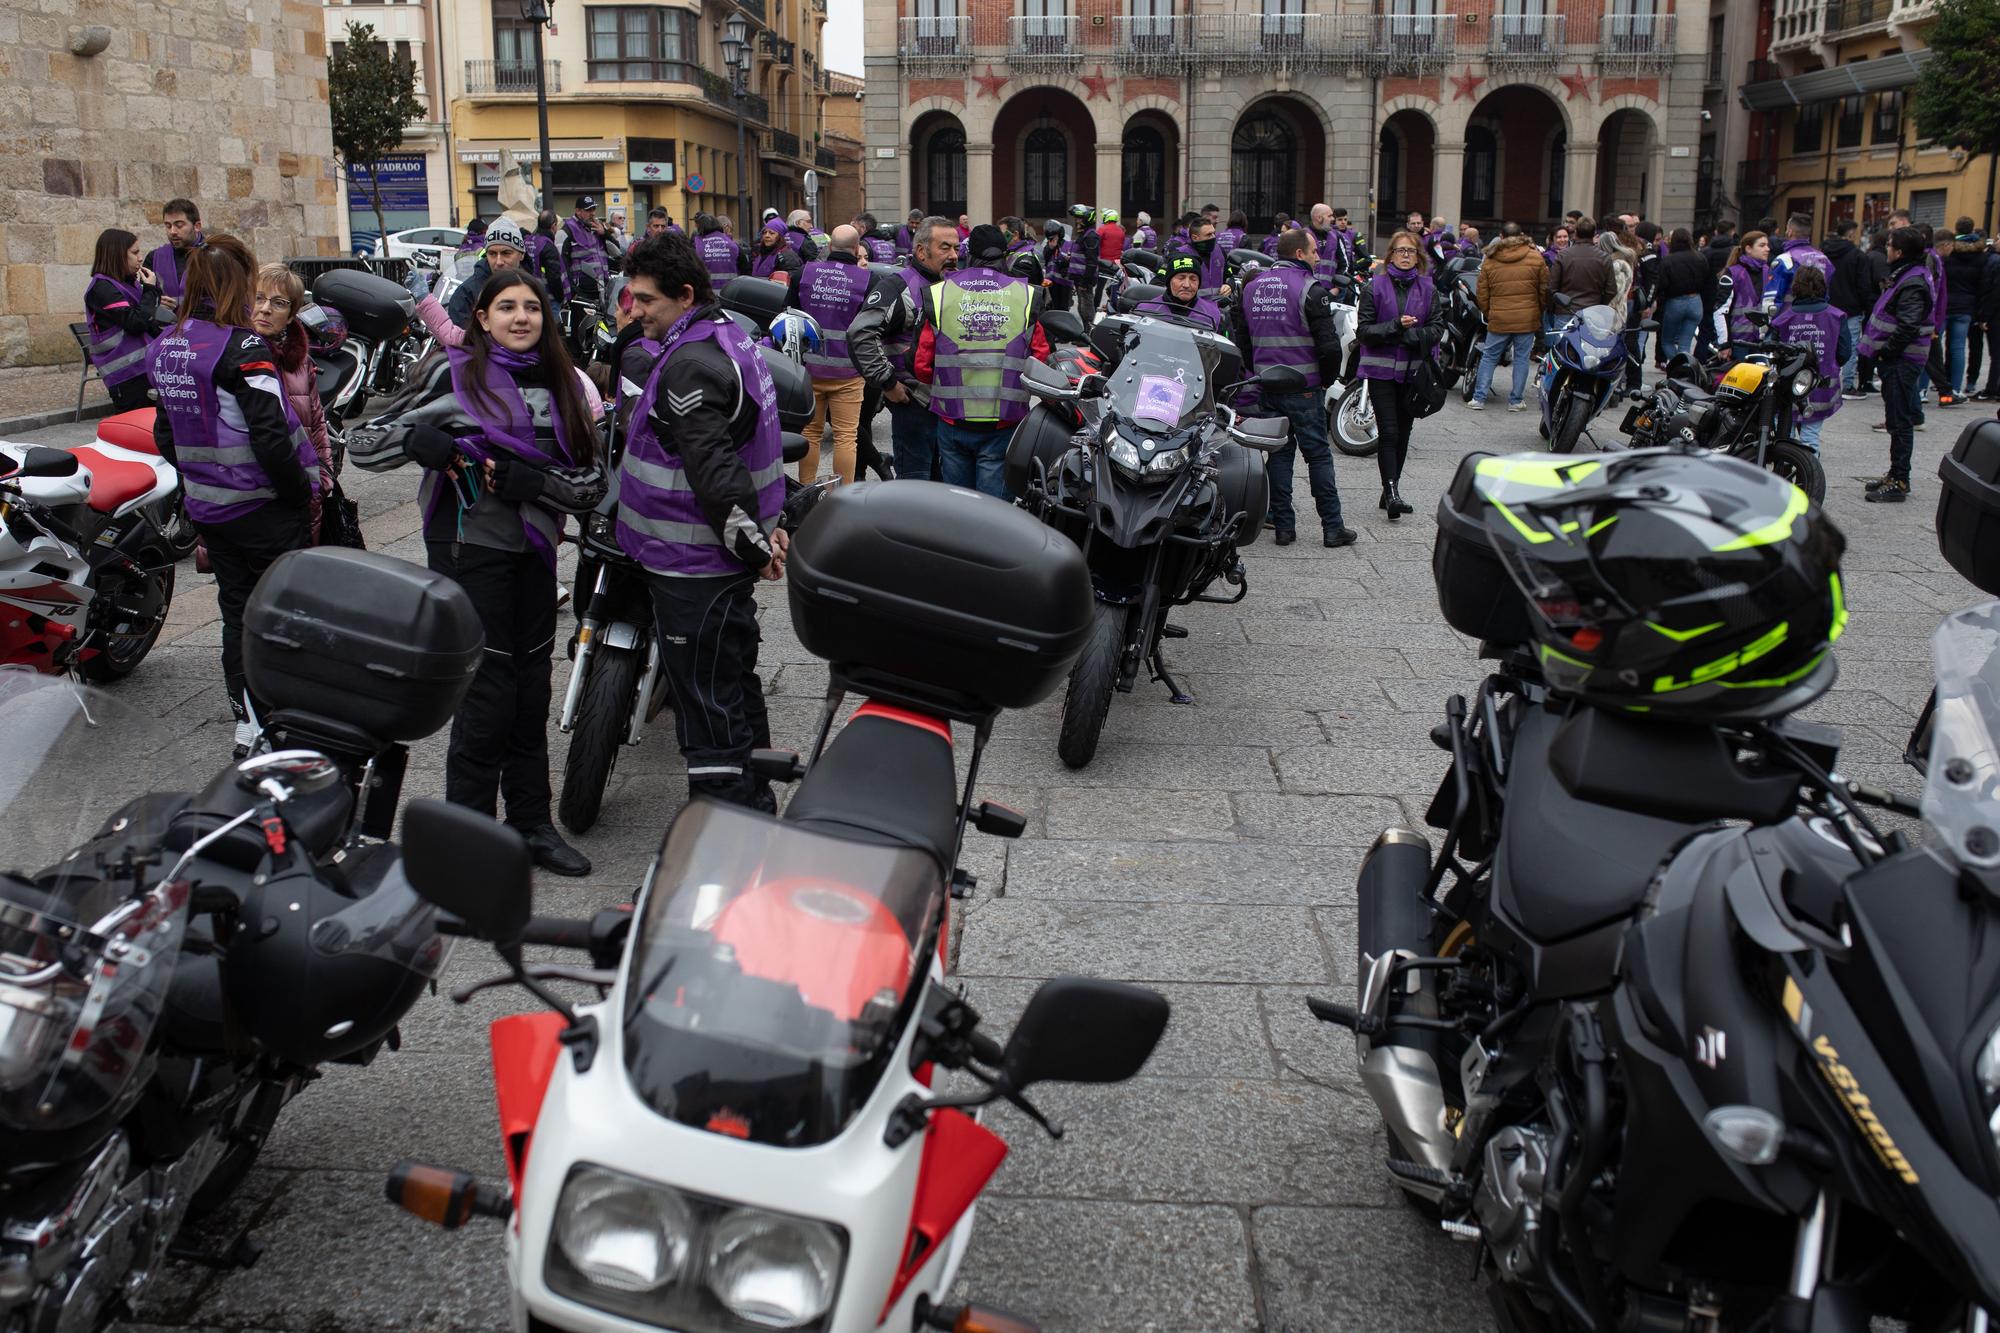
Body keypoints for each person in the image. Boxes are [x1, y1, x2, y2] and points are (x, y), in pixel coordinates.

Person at [350, 269, 605, 872]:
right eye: (507, 308)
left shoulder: (564, 384)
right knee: (486, 698)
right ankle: (466, 839)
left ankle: (533, 825)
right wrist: (421, 443)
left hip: (535, 557)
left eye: (532, 308)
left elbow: (593, 484)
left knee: (529, 692)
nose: (522, 318)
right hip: (466, 550)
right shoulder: (448, 373)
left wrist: (537, 482)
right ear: (482, 320)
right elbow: (364, 443)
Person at [611, 234, 789, 811]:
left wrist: (757, 550)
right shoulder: (730, 335)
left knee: (708, 712)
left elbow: (717, 477)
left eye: (645, 301)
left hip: (694, 567)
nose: (634, 311)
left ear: (685, 296)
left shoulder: (690, 364)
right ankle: (757, 808)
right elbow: (754, 447)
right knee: (734, 684)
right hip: (713, 562)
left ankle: (721, 838)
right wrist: (769, 527)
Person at [146, 238, 317, 753]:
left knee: (236, 613)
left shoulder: (166, 344)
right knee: (276, 617)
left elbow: (164, 433)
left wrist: (199, 481)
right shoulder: (242, 347)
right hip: (263, 505)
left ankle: (246, 719)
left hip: (209, 508)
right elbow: (270, 434)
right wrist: (297, 493)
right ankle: (277, 721)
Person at [1229, 229, 1354, 547]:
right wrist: (1326, 380)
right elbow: (1328, 346)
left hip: (1268, 385)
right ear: (1299, 254)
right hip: (1306, 387)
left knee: (1280, 456)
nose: (1317, 256)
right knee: (1318, 456)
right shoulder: (1312, 289)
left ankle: (1283, 527)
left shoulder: (1252, 287)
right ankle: (1332, 527)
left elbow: (1242, 340)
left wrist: (1257, 373)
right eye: (1314, 251)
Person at [914, 224, 1051, 497]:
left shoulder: (940, 294)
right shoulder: (1026, 295)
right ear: (1005, 254)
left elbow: (922, 365)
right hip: (1004, 421)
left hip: (952, 419)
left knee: (959, 507)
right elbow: (1040, 357)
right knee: (993, 512)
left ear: (968, 254)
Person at [850, 215, 957, 483]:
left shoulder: (954, 286)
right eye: (945, 247)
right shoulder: (899, 287)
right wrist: (887, 384)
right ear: (921, 251)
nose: (954, 255)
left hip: (951, 409)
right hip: (915, 408)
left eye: (957, 247)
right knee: (915, 489)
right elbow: (860, 333)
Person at [1355, 230, 1444, 529]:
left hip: (1413, 372)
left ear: (1418, 257)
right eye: (1400, 250)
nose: (1405, 255)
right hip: (1380, 371)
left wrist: (1413, 336)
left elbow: (1437, 327)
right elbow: (1364, 331)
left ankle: (1389, 488)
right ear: (1390, 255)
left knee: (1404, 433)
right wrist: (1394, 326)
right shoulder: (1373, 287)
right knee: (1389, 432)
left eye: (1411, 251)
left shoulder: (1429, 289)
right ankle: (1392, 492)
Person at [250, 263, 337, 542]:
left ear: (290, 315)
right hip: (251, 497)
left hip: (299, 491)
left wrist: (324, 478)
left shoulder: (300, 364)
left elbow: (317, 422)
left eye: (278, 303)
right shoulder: (234, 356)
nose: (264, 309)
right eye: (258, 298)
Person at [788, 224, 871, 485]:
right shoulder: (867, 280)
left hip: (809, 370)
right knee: (846, 436)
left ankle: (806, 490)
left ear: (830, 247)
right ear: (857, 249)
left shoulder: (804, 273)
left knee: (810, 433)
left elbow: (787, 315)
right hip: (848, 370)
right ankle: (842, 498)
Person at [1858, 227, 1936, 504]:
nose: (1887, 248)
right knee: (1896, 418)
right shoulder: (1908, 275)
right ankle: (1894, 474)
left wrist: (1888, 353)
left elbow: (1909, 324)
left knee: (1900, 421)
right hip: (1899, 361)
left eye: (1890, 245)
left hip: (1903, 362)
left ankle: (1900, 480)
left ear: (1899, 252)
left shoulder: (1912, 282)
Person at [84, 229, 168, 409]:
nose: (140, 258)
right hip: (125, 376)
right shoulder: (102, 287)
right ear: (117, 255)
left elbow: (147, 321)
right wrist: (150, 290)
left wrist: (155, 295)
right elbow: (135, 323)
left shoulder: (130, 284)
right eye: (135, 253)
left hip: (145, 370)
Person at [1769, 265, 1849, 454]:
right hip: (1821, 385)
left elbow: (1773, 350)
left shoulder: (1783, 318)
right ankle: (1810, 477)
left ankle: (1785, 469)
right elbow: (1844, 352)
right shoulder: (1837, 316)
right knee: (1810, 437)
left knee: (1784, 435)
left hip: (1788, 386)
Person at [1469, 222, 1548, 412]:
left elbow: (1482, 291)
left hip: (1499, 317)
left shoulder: (1491, 258)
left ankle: (1479, 398)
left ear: (1501, 237)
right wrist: (1538, 309)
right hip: (1527, 317)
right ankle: (1515, 401)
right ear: (1521, 235)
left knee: (1489, 357)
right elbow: (1544, 289)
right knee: (1521, 359)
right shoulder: (1536, 257)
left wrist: (1489, 311)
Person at [447, 216, 529, 329]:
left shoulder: (534, 288)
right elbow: (460, 341)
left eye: (506, 253)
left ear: (521, 254)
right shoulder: (466, 294)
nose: (499, 262)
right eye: (492, 254)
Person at [1824, 219, 1874, 396]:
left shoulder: (1824, 252)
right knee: (1850, 347)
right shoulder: (1858, 256)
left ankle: (1826, 380)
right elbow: (1863, 285)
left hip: (1828, 305)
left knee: (1827, 345)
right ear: (1852, 233)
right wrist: (1867, 306)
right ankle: (1847, 384)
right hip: (1851, 308)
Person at [1941, 221, 1988, 406]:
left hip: (1946, 305)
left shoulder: (1949, 254)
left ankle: (1924, 388)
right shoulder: (1980, 256)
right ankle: (1955, 387)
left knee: (1934, 345)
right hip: (1967, 307)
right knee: (1958, 348)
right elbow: (1983, 284)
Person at [1652, 229, 1713, 364]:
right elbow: (1708, 282)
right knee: (1685, 344)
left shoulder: (1668, 260)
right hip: (1696, 301)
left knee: (1667, 341)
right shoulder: (1700, 257)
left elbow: (1662, 284)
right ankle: (1685, 368)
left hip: (1675, 302)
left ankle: (1678, 366)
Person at [1549, 217, 1616, 326]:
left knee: (1563, 343)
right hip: (1593, 311)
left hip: (1565, 311)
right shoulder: (1604, 257)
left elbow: (1552, 288)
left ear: (1575, 233)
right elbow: (1611, 290)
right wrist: (1599, 305)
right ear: (1594, 233)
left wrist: (1553, 308)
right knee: (1591, 343)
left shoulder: (1563, 255)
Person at [1763, 213, 1832, 311]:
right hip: (1818, 320)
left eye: (1787, 228)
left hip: (1789, 321)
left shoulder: (1784, 260)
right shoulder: (1824, 259)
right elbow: (1827, 295)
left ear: (1790, 232)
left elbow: (1771, 300)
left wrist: (1767, 323)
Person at [559, 196, 614, 307]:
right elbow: (561, 266)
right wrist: (573, 291)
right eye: (588, 210)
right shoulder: (566, 231)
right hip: (582, 293)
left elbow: (617, 253)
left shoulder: (598, 228)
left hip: (602, 289)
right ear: (578, 211)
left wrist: (605, 234)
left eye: (593, 209)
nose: (593, 213)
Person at [1721, 230, 1771, 349]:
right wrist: (1724, 343)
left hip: (1763, 340)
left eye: (1767, 245)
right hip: (1738, 341)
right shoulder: (1733, 273)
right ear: (1748, 249)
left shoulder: (1768, 271)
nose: (1768, 249)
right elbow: (1721, 310)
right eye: (1762, 245)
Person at [149, 197, 203, 306]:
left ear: (197, 226)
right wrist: (156, 303)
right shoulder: (154, 258)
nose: (172, 232)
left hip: (205, 322)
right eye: (168, 226)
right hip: (166, 322)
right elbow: (143, 297)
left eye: (179, 225)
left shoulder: (216, 256)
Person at [693, 211, 747, 289]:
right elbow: (745, 272)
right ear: (726, 227)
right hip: (730, 295)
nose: (731, 233)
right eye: (731, 229)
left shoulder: (697, 245)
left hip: (706, 295)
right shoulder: (734, 247)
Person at [525, 210, 568, 303]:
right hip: (548, 298)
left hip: (530, 294)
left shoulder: (528, 241)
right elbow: (554, 277)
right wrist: (560, 298)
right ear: (553, 226)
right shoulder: (547, 246)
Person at [1187, 215, 1230, 303]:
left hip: (1219, 309)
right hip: (1193, 311)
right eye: (1209, 234)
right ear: (1195, 238)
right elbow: (1160, 282)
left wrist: (1229, 286)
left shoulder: (1220, 251)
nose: (1213, 237)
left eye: (1213, 233)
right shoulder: (1181, 254)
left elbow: (1229, 276)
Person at [1066, 205, 1102, 312]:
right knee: (1081, 308)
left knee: (1086, 308)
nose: (1077, 221)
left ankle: (1089, 328)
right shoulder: (1084, 234)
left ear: (1087, 219)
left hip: (1084, 280)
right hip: (1079, 278)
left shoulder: (1090, 236)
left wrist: (1085, 282)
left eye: (1079, 218)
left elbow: (1092, 262)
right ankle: (1086, 328)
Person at [750, 216, 801, 286]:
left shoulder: (787, 256)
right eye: (765, 232)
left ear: (780, 237)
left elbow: (791, 282)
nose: (766, 235)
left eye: (771, 233)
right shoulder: (761, 253)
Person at [1042, 218, 1075, 312]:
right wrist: (1050, 247)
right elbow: (1044, 258)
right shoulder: (1048, 245)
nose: (1054, 238)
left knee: (1064, 308)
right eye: (1052, 236)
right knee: (1053, 306)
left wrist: (1066, 262)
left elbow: (1072, 260)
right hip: (1051, 282)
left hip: (1065, 282)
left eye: (1055, 235)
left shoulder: (1069, 244)